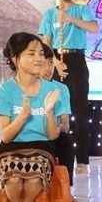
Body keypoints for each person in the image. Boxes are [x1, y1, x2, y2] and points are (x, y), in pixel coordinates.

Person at [0, 32, 67, 202]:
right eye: (31, 54)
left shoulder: (52, 89)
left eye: (41, 54)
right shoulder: (5, 90)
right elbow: (6, 136)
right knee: (14, 175)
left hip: (42, 147)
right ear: (15, 58)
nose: (39, 59)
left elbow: (52, 135)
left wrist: (48, 111)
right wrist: (23, 116)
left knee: (34, 175)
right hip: (10, 148)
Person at [38, 0, 97, 173]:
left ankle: (82, 160)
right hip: (56, 60)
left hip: (76, 59)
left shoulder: (81, 9)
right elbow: (45, 42)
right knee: (54, 108)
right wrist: (54, 62)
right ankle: (54, 153)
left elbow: (94, 28)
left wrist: (70, 19)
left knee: (80, 111)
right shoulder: (49, 14)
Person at [40, 43, 74, 186]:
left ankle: (66, 188)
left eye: (50, 63)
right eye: (43, 64)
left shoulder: (61, 88)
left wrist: (57, 129)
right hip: (32, 135)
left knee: (65, 140)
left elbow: (65, 123)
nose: (48, 69)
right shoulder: (26, 87)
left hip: (53, 134)